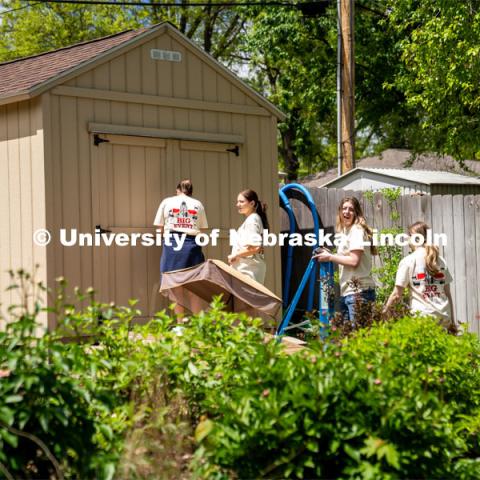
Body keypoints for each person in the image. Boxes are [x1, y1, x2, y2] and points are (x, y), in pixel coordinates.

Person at [314, 196, 376, 324]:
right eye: (344, 208)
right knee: (349, 339)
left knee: (359, 338)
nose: (346, 212)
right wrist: (330, 253)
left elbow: (354, 261)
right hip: (349, 292)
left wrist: (330, 257)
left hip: (359, 293)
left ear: (356, 213)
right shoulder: (346, 231)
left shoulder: (356, 230)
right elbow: (346, 256)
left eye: (351, 209)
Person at [384, 221, 455, 328]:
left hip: (422, 318)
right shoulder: (440, 260)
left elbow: (396, 295)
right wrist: (452, 321)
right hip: (444, 316)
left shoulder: (408, 261)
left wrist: (385, 311)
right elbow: (448, 294)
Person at [153, 179, 208, 275]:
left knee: (171, 277)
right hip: (192, 244)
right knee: (193, 278)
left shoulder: (167, 202)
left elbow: (159, 227)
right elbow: (202, 230)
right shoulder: (198, 204)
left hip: (172, 242)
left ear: (178, 190)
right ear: (191, 192)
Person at [228, 189, 269, 284]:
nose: (238, 204)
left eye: (241, 202)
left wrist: (236, 254)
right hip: (248, 271)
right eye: (237, 202)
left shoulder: (252, 220)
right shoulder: (253, 219)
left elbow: (255, 247)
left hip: (248, 272)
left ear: (252, 203)